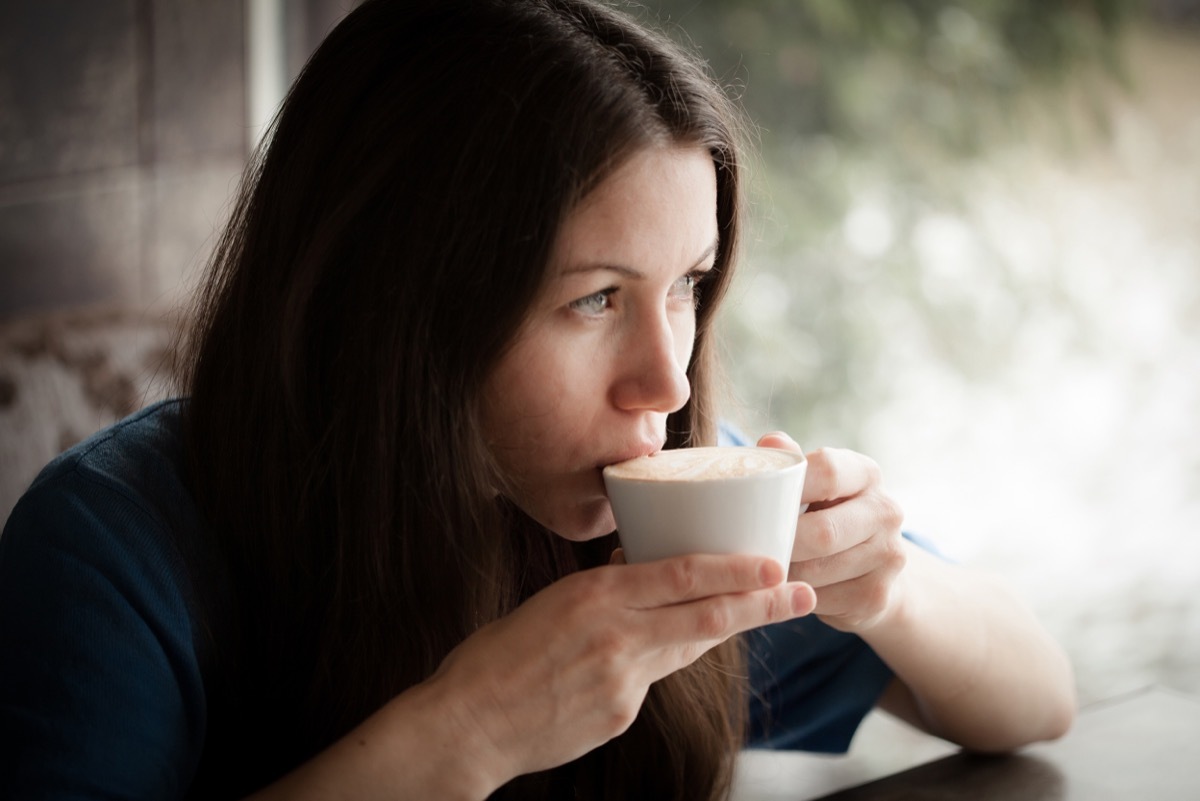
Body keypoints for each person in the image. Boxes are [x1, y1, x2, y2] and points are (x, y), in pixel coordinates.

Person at [0, 0, 1075, 799]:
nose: (667, 382)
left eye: (688, 287)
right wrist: (465, 734)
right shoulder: (111, 547)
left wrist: (888, 590)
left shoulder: (660, 506)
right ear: (401, 302)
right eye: (595, 299)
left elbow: (1037, 701)